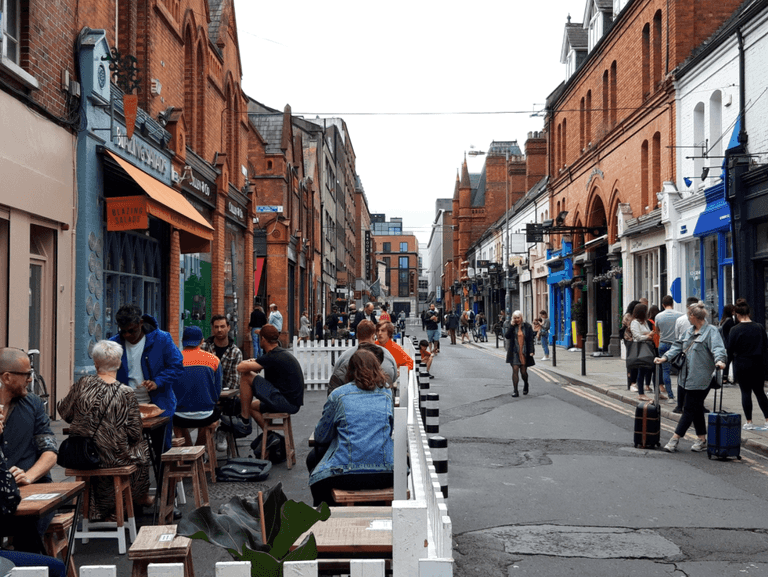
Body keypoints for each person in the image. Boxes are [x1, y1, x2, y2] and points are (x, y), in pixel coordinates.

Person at [58, 340, 152, 520]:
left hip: (82, 456)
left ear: (95, 363)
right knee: (142, 450)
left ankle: (99, 507)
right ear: (118, 363)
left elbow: (64, 412)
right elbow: (134, 433)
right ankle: (129, 501)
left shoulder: (82, 384)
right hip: (112, 459)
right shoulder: (125, 392)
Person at [308, 349, 394, 507]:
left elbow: (321, 436)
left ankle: (326, 516)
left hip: (346, 474)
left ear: (350, 370)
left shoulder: (338, 395)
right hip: (385, 472)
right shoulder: (387, 394)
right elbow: (389, 429)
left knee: (313, 463)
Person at [0, 347, 58, 551]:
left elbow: (50, 451)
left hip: (33, 492)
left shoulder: (32, 403)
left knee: (27, 526)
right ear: (7, 377)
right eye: (26, 374)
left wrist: (29, 476)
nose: (29, 379)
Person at [655, 301, 726, 453]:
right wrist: (664, 358)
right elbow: (677, 346)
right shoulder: (688, 332)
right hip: (685, 377)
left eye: (689, 316)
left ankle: (674, 439)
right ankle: (702, 439)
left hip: (702, 378)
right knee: (697, 408)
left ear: (694, 316)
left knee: (688, 408)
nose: (688, 319)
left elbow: (718, 348)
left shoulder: (711, 331)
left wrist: (720, 361)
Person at [111, 304, 183, 449]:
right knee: (127, 450)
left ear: (140, 323)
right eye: (123, 332)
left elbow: (177, 366)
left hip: (158, 404)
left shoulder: (162, 339)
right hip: (126, 407)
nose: (127, 336)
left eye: (131, 331)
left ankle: (161, 471)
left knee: (161, 449)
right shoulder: (114, 343)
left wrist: (158, 382)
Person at [0, 430, 65, 577]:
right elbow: (10, 498)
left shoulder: (32, 408)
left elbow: (50, 451)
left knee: (28, 531)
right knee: (55, 567)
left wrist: (27, 477)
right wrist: (8, 479)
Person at [226, 325, 304, 437]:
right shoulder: (279, 353)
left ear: (263, 339)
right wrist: (255, 363)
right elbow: (262, 364)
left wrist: (250, 362)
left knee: (246, 376)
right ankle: (271, 436)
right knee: (251, 406)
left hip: (286, 402)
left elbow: (241, 367)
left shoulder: (272, 356)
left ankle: (244, 421)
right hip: (291, 402)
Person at [173, 326, 223, 448]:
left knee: (175, 419)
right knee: (214, 413)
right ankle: (199, 449)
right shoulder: (214, 360)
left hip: (179, 415)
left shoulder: (173, 360)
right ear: (202, 341)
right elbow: (217, 393)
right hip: (206, 415)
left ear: (182, 340)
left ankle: (188, 450)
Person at [726, 299, 768, 431]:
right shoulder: (760, 327)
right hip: (757, 365)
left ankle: (749, 422)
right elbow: (766, 349)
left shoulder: (734, 330)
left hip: (741, 365)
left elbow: (730, 351)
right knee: (760, 393)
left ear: (737, 315)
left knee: (745, 393)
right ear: (749, 313)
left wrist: (725, 368)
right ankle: (767, 420)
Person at [327, 320, 398, 394]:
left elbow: (336, 376)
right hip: (382, 397)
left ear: (357, 335)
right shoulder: (387, 355)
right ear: (373, 336)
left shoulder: (344, 356)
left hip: (351, 399)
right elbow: (393, 377)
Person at [671, 296, 701, 413]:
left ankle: (680, 405)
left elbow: (677, 338)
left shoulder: (680, 320)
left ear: (687, 307)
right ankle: (697, 405)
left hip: (683, 353)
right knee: (695, 379)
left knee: (682, 380)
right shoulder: (703, 320)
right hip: (698, 353)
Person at [629, 303, 663, 401]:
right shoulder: (635, 322)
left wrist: (649, 333)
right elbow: (637, 336)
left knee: (654, 369)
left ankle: (658, 393)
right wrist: (648, 336)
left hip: (649, 348)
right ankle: (641, 394)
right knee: (642, 370)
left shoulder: (644, 322)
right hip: (641, 349)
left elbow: (645, 332)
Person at [202, 315, 243, 391]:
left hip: (227, 395)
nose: (219, 330)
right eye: (216, 327)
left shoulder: (235, 352)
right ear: (213, 329)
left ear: (228, 328)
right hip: (206, 392)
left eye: (222, 326)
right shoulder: (204, 348)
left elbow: (235, 380)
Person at [654, 295, 682, 405]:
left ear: (663, 305)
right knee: (681, 371)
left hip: (663, 345)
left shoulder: (658, 316)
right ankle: (681, 396)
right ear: (673, 303)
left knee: (666, 371)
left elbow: (657, 331)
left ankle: (670, 396)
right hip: (676, 345)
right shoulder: (680, 315)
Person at [505, 311, 535, 397]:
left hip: (524, 352)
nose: (517, 319)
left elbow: (530, 340)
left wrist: (531, 351)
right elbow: (507, 336)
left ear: (521, 317)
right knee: (515, 370)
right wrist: (511, 325)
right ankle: (515, 391)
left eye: (518, 318)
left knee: (523, 372)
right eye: (515, 318)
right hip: (514, 352)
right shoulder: (512, 326)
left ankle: (526, 383)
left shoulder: (527, 326)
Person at [621, 300, 640, 391]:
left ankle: (634, 382)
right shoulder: (628, 316)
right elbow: (631, 327)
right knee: (631, 361)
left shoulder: (636, 316)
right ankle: (631, 383)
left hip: (636, 340)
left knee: (636, 361)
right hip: (629, 340)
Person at [719, 303, 736, 384]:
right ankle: (726, 378)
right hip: (729, 344)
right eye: (733, 310)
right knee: (730, 361)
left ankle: (724, 378)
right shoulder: (730, 321)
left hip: (725, 344)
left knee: (727, 361)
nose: (734, 311)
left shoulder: (723, 320)